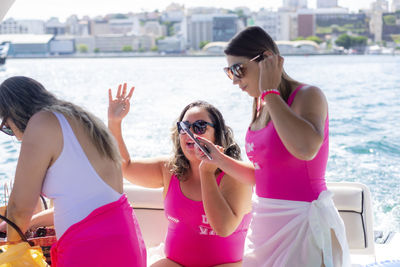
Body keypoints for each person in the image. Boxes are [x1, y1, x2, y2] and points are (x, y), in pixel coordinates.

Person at [194, 26, 351, 267]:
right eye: (229, 71)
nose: (235, 80)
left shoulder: (307, 95)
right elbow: (264, 177)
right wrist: (220, 160)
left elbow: (306, 149)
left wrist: (270, 92)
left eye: (238, 69)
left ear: (267, 59)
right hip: (266, 222)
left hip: (302, 223)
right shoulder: (262, 105)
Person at [0, 76, 146, 267]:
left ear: (16, 112)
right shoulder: (81, 119)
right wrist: (33, 222)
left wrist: (12, 248)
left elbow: (19, 209)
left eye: (8, 128)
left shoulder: (41, 123)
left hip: (92, 248)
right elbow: (83, 204)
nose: (17, 138)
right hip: (125, 240)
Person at [108, 83, 253, 267]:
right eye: (184, 127)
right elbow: (125, 167)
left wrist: (206, 172)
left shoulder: (235, 175)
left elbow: (224, 228)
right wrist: (114, 122)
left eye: (200, 126)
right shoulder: (169, 169)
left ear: (217, 135)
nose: (190, 133)